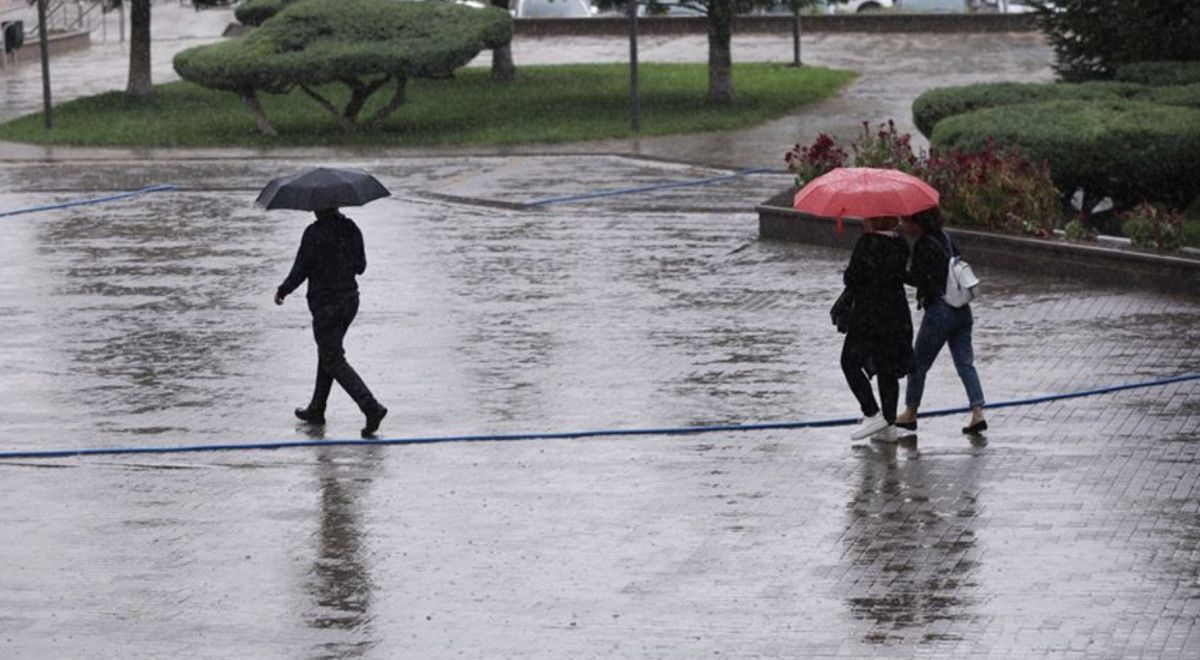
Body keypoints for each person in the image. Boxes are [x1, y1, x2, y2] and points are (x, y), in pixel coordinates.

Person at [275, 207, 388, 438]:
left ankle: (371, 407)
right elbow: (361, 267)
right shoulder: (351, 228)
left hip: (326, 306)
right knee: (328, 352)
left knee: (333, 358)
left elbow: (300, 270)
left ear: (318, 208)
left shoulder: (313, 234)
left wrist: (283, 290)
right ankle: (317, 408)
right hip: (349, 302)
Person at [896, 207, 987, 436]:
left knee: (917, 364)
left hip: (940, 312)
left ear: (917, 222)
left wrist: (898, 272)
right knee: (965, 364)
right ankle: (978, 413)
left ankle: (910, 412)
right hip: (962, 311)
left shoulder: (923, 245)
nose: (902, 224)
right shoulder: (946, 239)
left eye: (905, 219)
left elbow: (917, 279)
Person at [841, 216, 914, 442]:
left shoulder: (867, 243)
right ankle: (889, 423)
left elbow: (852, 278)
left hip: (869, 315)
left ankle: (872, 412)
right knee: (887, 367)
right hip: (896, 314)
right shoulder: (900, 243)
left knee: (849, 361)